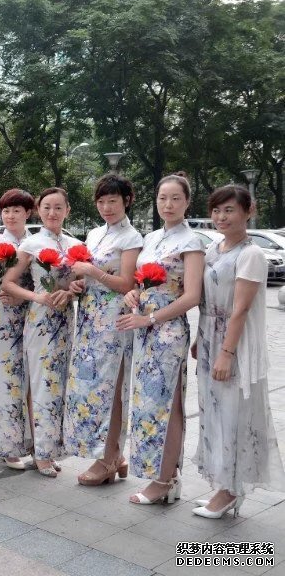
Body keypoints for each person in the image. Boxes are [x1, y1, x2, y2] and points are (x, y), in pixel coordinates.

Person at [190, 185, 285, 517]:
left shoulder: (251, 254)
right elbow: (206, 300)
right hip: (209, 336)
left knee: (232, 416)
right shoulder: (213, 249)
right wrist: (200, 339)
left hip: (233, 343)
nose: (221, 217)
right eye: (216, 210)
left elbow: (241, 309)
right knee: (213, 415)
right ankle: (223, 485)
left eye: (229, 210)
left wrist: (227, 353)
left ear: (249, 211)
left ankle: (231, 490)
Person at [117, 173, 204, 505]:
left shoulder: (191, 242)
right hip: (143, 329)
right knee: (146, 405)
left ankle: (165, 478)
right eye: (162, 198)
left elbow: (192, 295)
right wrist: (134, 295)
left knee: (167, 404)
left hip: (167, 332)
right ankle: (159, 474)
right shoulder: (152, 238)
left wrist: (150, 318)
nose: (168, 204)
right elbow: (141, 282)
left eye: (176, 198)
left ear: (187, 202)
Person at [64, 175, 143, 486]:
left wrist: (92, 271)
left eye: (113, 201)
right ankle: (115, 455)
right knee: (91, 389)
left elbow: (127, 284)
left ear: (127, 201)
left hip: (114, 321)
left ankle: (108, 459)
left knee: (112, 389)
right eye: (101, 201)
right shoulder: (95, 233)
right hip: (89, 318)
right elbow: (86, 275)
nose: (107, 207)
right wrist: (78, 284)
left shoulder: (131, 237)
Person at [2, 187, 82, 477]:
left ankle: (51, 449)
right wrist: (38, 297)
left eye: (58, 207)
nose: (52, 212)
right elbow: (8, 283)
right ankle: (41, 452)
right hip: (40, 321)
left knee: (60, 385)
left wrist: (72, 292)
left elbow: (81, 283)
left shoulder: (75, 245)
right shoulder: (32, 244)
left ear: (67, 210)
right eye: (46, 207)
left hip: (66, 320)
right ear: (38, 210)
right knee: (41, 384)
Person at [0, 189, 35, 470]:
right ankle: (6, 446)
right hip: (0, 318)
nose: (11, 216)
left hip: (32, 316)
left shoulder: (36, 243)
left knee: (30, 381)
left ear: (28, 213)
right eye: (6, 211)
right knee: (2, 382)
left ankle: (34, 443)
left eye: (17, 210)